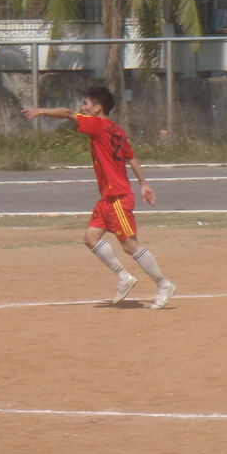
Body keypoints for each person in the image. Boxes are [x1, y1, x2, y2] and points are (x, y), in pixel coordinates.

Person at [23, 86, 177, 310]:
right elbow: (131, 157)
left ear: (97, 108)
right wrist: (143, 184)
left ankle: (164, 284)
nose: (83, 107)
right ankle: (124, 277)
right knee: (91, 238)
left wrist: (41, 111)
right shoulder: (116, 129)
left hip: (118, 197)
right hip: (108, 198)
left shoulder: (97, 124)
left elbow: (67, 113)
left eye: (86, 104)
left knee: (130, 246)